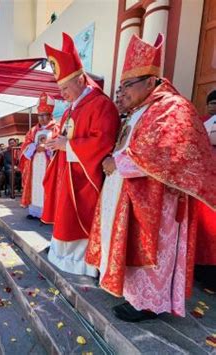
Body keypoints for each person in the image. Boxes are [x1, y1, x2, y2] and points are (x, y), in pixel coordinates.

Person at [86, 34, 216, 322]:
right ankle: (131, 294)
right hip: (128, 189)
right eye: (121, 87)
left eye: (127, 86)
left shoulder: (172, 107)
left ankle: (148, 303)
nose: (123, 92)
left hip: (157, 200)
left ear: (149, 81)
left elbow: (165, 151)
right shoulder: (140, 109)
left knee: (153, 249)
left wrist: (115, 162)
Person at [42, 33, 120, 276]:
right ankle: (61, 253)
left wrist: (69, 146)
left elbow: (104, 141)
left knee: (78, 218)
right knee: (63, 216)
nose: (62, 93)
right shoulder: (72, 109)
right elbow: (65, 135)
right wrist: (55, 142)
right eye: (59, 88)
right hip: (69, 173)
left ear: (80, 80)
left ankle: (81, 261)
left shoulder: (101, 105)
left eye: (65, 87)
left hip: (86, 178)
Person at [19, 93, 59, 218]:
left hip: (49, 165)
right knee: (35, 187)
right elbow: (25, 144)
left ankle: (46, 214)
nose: (41, 118)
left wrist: (46, 148)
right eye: (39, 115)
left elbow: (59, 146)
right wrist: (34, 147)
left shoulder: (56, 129)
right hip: (34, 166)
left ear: (50, 115)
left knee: (46, 188)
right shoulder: (33, 130)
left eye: (44, 115)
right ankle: (34, 211)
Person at [194, 90, 216, 292]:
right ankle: (198, 271)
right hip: (201, 183)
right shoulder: (201, 121)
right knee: (201, 230)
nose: (213, 106)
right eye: (211, 102)